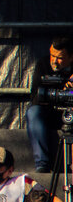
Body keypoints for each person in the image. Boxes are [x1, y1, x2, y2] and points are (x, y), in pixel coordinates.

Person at [26, 36, 73, 172]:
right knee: (33, 112)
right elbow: (35, 95)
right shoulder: (43, 64)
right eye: (52, 55)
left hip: (70, 111)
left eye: (59, 58)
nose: (54, 61)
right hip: (50, 110)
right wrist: (58, 88)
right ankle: (42, 164)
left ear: (71, 57)